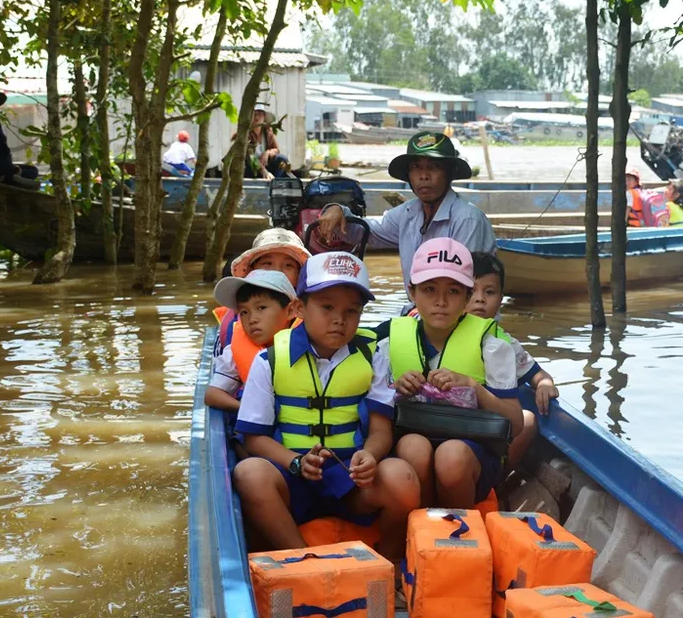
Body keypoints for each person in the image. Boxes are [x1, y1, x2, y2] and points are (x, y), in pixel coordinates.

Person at [231, 252, 419, 562]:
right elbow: (254, 439)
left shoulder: (373, 355)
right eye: (327, 307)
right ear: (299, 307)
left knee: (402, 478)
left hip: (351, 479)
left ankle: (386, 564)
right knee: (249, 474)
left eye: (351, 311)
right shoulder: (270, 361)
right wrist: (295, 462)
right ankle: (306, 561)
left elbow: (381, 429)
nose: (339, 320)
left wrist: (370, 456)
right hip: (291, 476)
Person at [373, 237, 524, 508]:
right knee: (412, 447)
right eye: (429, 289)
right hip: (412, 439)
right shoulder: (387, 344)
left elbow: (516, 422)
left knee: (450, 455)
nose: (440, 301)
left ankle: (458, 525)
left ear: (467, 297)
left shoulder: (491, 345)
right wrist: (398, 387)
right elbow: (376, 408)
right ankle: (423, 521)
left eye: (453, 292)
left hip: (471, 449)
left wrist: (472, 386)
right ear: (412, 292)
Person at [317, 131, 496, 285]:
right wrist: (337, 210)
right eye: (416, 167)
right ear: (409, 175)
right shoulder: (407, 213)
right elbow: (363, 231)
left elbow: (462, 284)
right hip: (419, 313)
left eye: (434, 167)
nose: (424, 176)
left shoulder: (467, 219)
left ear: (449, 173)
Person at [466, 252, 558, 470]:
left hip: (492, 427)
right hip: (456, 423)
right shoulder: (443, 332)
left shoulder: (506, 343)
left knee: (528, 421)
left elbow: (537, 374)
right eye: (471, 291)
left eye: (489, 292)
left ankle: (498, 472)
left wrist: (545, 384)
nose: (480, 299)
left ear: (500, 299)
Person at [205, 270, 298, 451]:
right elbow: (212, 395)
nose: (252, 319)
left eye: (261, 308)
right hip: (262, 435)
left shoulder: (312, 345)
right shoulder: (235, 350)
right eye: (244, 312)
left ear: (291, 310)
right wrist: (249, 409)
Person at [211, 228, 310, 358]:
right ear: (251, 270)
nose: (277, 272)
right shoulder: (233, 323)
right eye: (267, 263)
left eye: (288, 265)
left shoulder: (313, 317)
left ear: (299, 275)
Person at [238, 103, 290, 180]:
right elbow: (250, 156)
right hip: (251, 169)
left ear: (264, 117)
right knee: (246, 163)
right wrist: (264, 171)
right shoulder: (246, 133)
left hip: (265, 165)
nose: (256, 116)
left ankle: (275, 182)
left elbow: (276, 149)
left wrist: (267, 153)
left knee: (282, 159)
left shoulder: (268, 131)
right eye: (254, 113)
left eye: (259, 113)